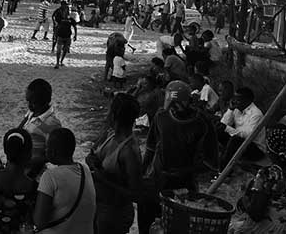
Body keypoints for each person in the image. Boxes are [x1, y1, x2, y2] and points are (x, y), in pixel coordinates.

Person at [138, 80, 219, 234]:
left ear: (188, 102)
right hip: (157, 181)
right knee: (147, 223)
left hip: (184, 188)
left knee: (176, 227)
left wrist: (184, 172)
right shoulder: (161, 117)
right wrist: (141, 175)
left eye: (178, 104)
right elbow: (150, 148)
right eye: (172, 104)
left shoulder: (202, 123)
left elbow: (211, 164)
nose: (174, 108)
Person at [230, 123, 286, 233]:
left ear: (269, 150)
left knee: (233, 228)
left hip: (276, 229)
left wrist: (244, 201)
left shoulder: (268, 174)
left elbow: (256, 214)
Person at [87, 94, 142, 234]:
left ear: (115, 115)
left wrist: (103, 178)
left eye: (110, 110)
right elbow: (91, 155)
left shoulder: (129, 151)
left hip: (115, 213)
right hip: (99, 207)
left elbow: (135, 194)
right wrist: (92, 161)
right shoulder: (110, 134)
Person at [33, 128, 97, 234]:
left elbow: (39, 222)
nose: (45, 150)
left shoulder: (50, 176)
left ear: (53, 152)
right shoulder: (85, 169)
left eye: (47, 146)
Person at [19, 78, 62, 178]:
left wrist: (30, 162)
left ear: (45, 101)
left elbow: (53, 154)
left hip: (35, 171)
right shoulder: (33, 111)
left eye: (33, 102)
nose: (29, 106)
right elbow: (19, 130)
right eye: (28, 101)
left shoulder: (52, 123)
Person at [218, 87, 265, 168]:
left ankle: (223, 169)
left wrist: (227, 128)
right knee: (218, 130)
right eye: (234, 99)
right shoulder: (237, 109)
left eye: (238, 99)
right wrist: (230, 109)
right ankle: (216, 158)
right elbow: (223, 123)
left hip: (255, 149)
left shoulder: (256, 114)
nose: (234, 101)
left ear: (247, 101)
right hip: (239, 144)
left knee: (235, 139)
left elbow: (248, 136)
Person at [53, 4, 77, 69]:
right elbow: (56, 26)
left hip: (67, 37)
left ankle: (61, 61)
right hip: (60, 36)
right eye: (66, 10)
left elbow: (75, 27)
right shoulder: (60, 18)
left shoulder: (71, 19)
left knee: (65, 50)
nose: (67, 11)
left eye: (69, 10)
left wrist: (75, 35)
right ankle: (57, 63)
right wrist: (55, 35)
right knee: (58, 51)